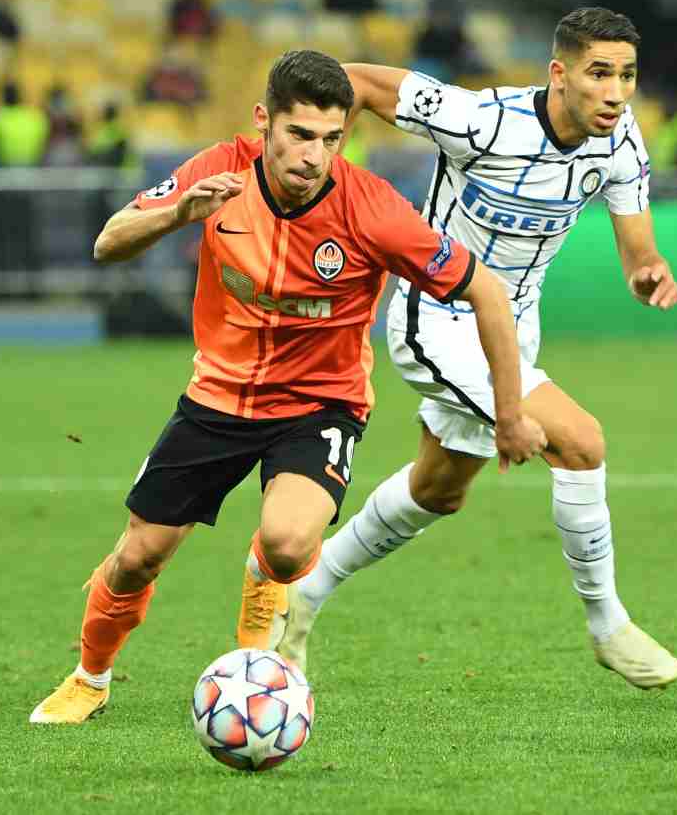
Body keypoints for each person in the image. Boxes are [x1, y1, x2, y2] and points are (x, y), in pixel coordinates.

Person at [29, 50, 547, 724]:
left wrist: (508, 412)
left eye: (332, 139)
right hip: (218, 397)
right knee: (137, 556)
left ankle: (261, 606)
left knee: (287, 542)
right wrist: (178, 211)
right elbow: (108, 241)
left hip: (319, 403)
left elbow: (486, 291)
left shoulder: (371, 209)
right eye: (299, 135)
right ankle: (89, 678)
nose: (314, 156)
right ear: (264, 122)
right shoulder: (218, 169)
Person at [239, 8, 677, 690]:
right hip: (438, 317)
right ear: (559, 74)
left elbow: (638, 247)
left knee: (438, 489)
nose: (616, 91)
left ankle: (303, 595)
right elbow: (353, 80)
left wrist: (647, 269)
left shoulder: (621, 140)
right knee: (581, 442)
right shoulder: (480, 119)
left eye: (626, 75)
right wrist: (331, 187)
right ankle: (608, 624)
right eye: (599, 73)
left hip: (516, 325)